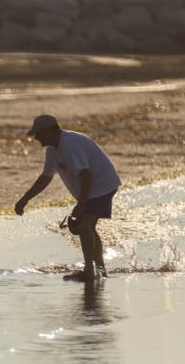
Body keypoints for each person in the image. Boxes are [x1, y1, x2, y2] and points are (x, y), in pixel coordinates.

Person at [14, 114, 121, 280]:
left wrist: (82, 203)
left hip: (102, 184)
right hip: (94, 187)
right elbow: (45, 177)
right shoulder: (52, 150)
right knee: (89, 226)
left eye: (38, 133)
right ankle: (100, 270)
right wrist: (25, 198)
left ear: (49, 130)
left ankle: (88, 271)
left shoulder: (70, 143)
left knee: (85, 224)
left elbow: (86, 174)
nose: (36, 138)